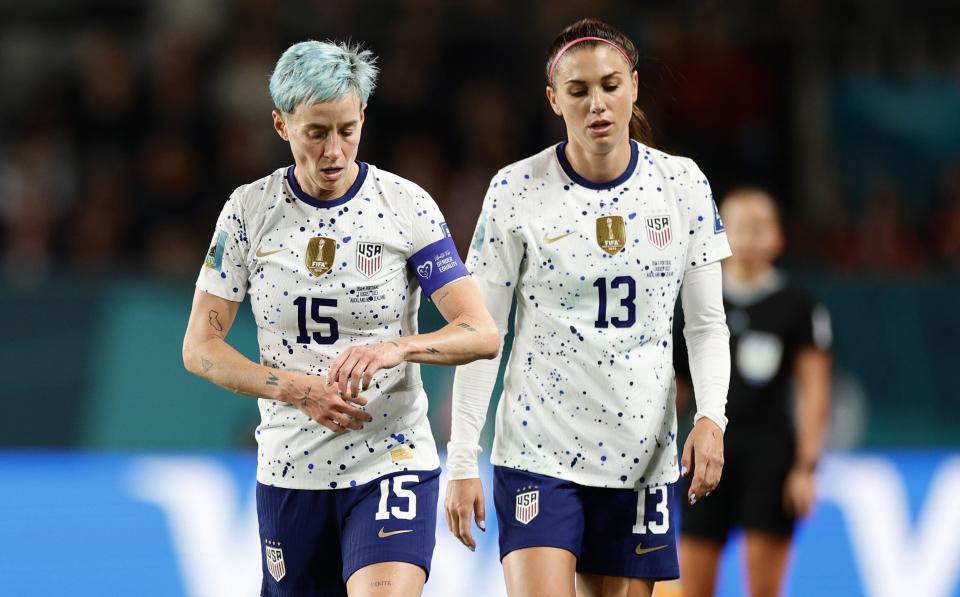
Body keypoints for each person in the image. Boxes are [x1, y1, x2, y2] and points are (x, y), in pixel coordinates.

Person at [181, 40, 499, 597]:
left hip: (390, 459)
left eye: (347, 130)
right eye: (316, 132)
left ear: (363, 118)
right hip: (289, 470)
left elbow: (480, 331)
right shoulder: (248, 211)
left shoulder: (406, 206)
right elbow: (201, 348)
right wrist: (297, 390)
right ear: (281, 124)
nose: (334, 150)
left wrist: (395, 349)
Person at [443, 18, 732, 597]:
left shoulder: (682, 185)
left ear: (634, 88)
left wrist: (711, 417)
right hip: (537, 450)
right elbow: (480, 333)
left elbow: (704, 324)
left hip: (640, 454)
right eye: (578, 90)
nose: (596, 103)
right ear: (554, 99)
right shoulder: (515, 189)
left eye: (609, 85)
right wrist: (461, 458)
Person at [676, 188, 832, 597]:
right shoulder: (694, 303)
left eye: (759, 228)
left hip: (770, 459)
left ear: (779, 237)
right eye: (737, 228)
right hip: (703, 454)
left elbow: (815, 389)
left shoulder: (797, 306)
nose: (746, 239)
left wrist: (806, 467)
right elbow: (672, 387)